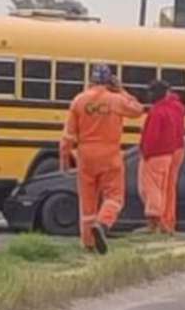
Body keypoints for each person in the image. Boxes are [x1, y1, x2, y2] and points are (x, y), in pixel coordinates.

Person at [59, 64, 144, 254]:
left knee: (87, 202)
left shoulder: (79, 101)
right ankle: (103, 223)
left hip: (86, 155)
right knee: (114, 197)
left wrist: (64, 159)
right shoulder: (116, 100)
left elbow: (68, 136)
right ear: (109, 81)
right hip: (110, 153)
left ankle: (88, 242)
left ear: (91, 80)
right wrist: (121, 90)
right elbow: (138, 110)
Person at [137, 79, 185, 234]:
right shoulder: (178, 108)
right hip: (175, 150)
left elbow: (152, 136)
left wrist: (145, 152)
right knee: (167, 188)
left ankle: (155, 222)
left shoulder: (158, 111)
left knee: (151, 188)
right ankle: (168, 222)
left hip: (157, 153)